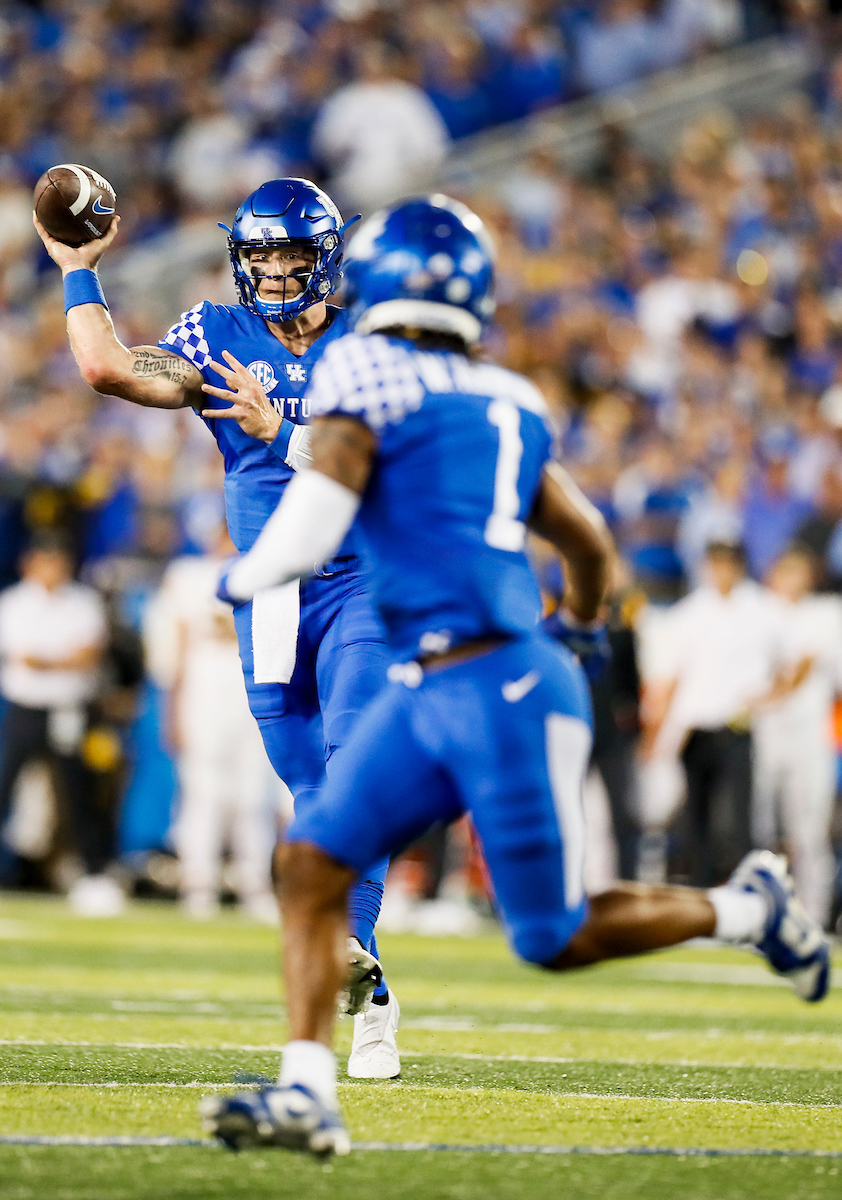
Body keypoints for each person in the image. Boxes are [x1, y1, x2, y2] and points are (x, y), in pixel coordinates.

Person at [200, 196, 831, 1157]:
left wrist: (249, 574)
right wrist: (578, 629)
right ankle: (304, 1090)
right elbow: (590, 544)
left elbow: (324, 503)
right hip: (459, 679)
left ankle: (747, 909)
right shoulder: (511, 400)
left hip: (488, 685)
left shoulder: (364, 370)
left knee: (550, 934)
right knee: (313, 860)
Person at [34, 177, 399, 1079]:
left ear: (326, 258)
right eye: (260, 256)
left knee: (356, 762)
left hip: (364, 580)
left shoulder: (374, 339)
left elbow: (389, 470)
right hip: (271, 588)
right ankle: (372, 993)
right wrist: (79, 270)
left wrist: (280, 434)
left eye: (291, 256)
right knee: (310, 787)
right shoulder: (213, 333)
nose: (273, 272)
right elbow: (108, 368)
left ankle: (348, 942)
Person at [145, 522, 281, 922]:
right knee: (203, 793)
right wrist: (171, 709)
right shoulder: (188, 575)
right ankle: (198, 884)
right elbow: (173, 648)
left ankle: (255, 884)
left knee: (255, 795)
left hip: (253, 696)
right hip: (203, 697)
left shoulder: (269, 573)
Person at [645, 540, 794, 887]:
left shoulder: (764, 608)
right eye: (714, 563)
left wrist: (770, 697)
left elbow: (793, 662)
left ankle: (747, 897)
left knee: (743, 820)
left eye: (727, 563)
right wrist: (657, 732)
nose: (720, 571)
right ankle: (703, 896)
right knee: (695, 819)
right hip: (696, 728)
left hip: (739, 726)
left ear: (739, 566)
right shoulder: (688, 613)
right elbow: (669, 678)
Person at [0, 532, 121, 915]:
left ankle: (94, 875)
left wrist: (48, 661)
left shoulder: (83, 602)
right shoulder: (13, 603)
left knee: (78, 792)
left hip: (69, 710)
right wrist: (62, 660)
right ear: (31, 564)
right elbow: (23, 658)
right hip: (26, 709)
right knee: (4, 784)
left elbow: (88, 656)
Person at [753, 546, 842, 927]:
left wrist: (761, 697)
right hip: (765, 737)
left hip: (809, 739)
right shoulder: (757, 612)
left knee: (809, 832)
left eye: (797, 571)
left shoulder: (825, 614)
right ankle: (759, 913)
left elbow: (805, 667)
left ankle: (813, 916)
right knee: (760, 828)